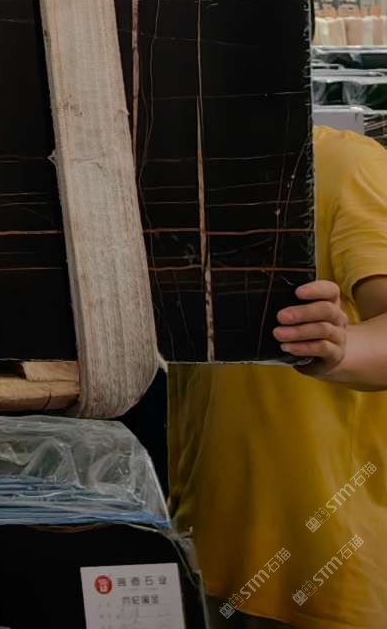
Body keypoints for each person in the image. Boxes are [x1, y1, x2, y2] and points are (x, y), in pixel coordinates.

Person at [171, 124, 387, 629]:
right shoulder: (183, 176)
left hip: (327, 560)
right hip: (210, 541)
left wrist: (338, 351)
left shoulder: (348, 166)